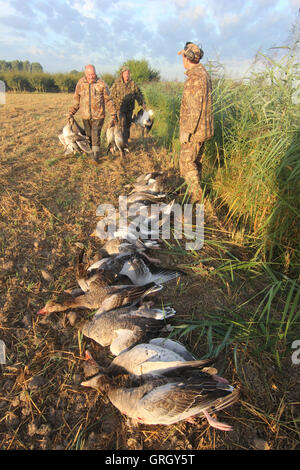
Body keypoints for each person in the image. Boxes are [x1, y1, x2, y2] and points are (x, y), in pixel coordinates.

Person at [178, 42, 214, 201]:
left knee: (186, 163)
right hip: (203, 129)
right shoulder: (203, 74)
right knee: (196, 162)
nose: (182, 60)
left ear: (188, 58)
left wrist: (186, 132)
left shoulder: (195, 77)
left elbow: (194, 108)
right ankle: (196, 194)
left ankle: (196, 196)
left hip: (195, 131)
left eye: (183, 57)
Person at [68, 64, 117, 161]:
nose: (91, 77)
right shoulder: (80, 84)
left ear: (95, 73)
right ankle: (91, 151)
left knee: (95, 134)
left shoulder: (101, 83)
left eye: (93, 74)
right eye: (89, 74)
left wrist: (113, 113)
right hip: (85, 116)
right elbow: (76, 100)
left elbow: (108, 100)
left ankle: (96, 156)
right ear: (85, 73)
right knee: (88, 135)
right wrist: (71, 112)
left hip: (99, 115)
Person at [110, 66, 146, 145]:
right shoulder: (117, 83)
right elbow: (111, 95)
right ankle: (121, 142)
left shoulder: (133, 84)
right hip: (119, 108)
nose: (127, 75)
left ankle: (125, 141)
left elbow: (138, 94)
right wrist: (112, 106)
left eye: (128, 73)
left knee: (128, 125)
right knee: (122, 124)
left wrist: (142, 102)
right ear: (122, 74)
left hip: (129, 109)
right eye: (125, 73)